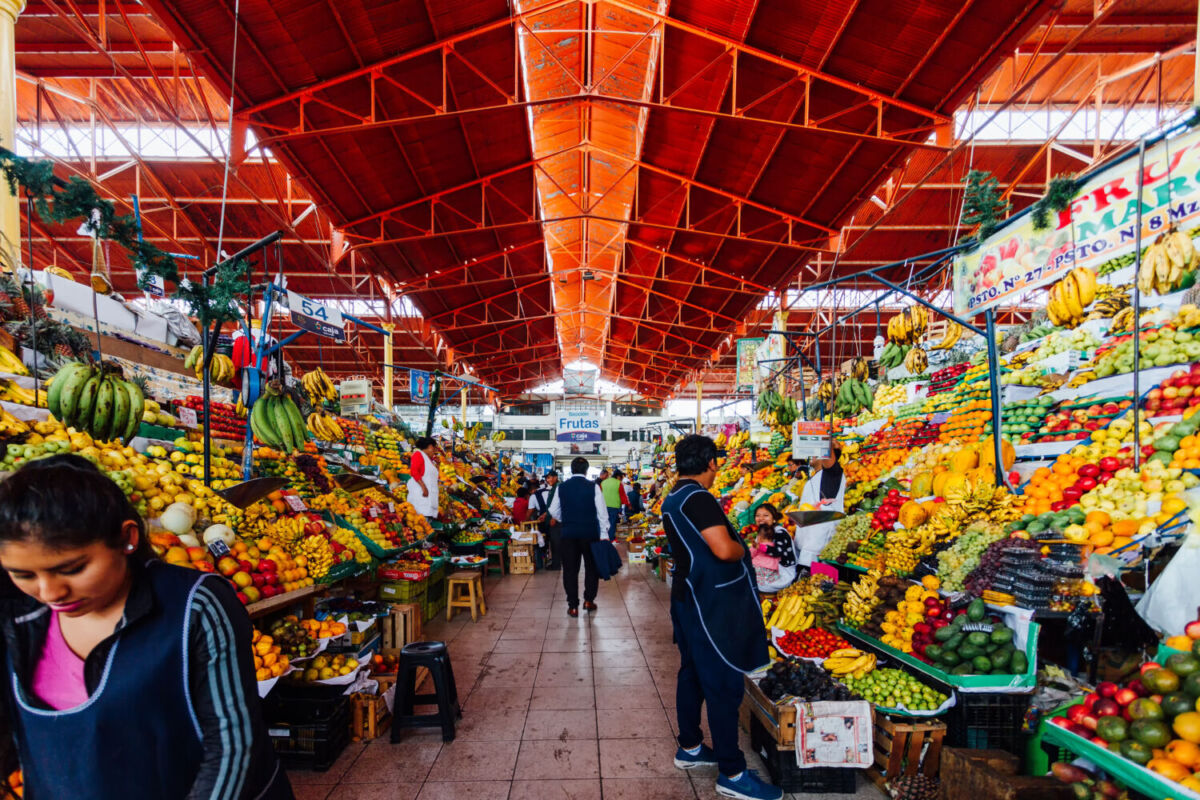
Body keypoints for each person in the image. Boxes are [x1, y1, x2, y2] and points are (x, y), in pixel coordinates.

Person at [0, 454, 293, 799]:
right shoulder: (17, 618)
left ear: (127, 537)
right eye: (24, 575)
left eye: (73, 569)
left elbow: (232, 746)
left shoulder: (194, 606)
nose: (50, 592)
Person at [661, 435, 780, 800]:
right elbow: (723, 549)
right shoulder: (698, 497)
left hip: (688, 596)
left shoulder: (673, 496)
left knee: (693, 673)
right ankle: (731, 772)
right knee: (723, 685)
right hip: (709, 602)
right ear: (711, 462)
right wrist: (744, 547)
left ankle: (691, 747)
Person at [549, 457, 610, 617]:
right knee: (591, 568)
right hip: (590, 533)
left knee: (570, 570)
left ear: (572, 470)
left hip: (568, 534)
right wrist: (604, 533)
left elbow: (553, 510)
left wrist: (566, 520)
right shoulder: (594, 487)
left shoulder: (561, 487)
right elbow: (602, 513)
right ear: (586, 470)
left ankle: (573, 606)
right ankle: (588, 601)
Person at [794, 440, 847, 567]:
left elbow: (828, 457)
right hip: (807, 541)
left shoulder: (832, 475)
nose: (813, 453)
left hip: (818, 546)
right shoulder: (815, 476)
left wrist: (823, 437)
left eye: (818, 452)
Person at [750, 504, 798, 593]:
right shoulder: (762, 533)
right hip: (766, 571)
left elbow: (777, 552)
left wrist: (759, 547)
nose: (761, 518)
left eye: (766, 515)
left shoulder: (780, 532)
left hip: (782, 574)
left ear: (774, 518)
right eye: (758, 515)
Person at [529, 471, 560, 570]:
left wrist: (554, 517)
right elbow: (551, 505)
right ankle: (555, 563)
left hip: (555, 519)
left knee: (555, 543)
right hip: (550, 517)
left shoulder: (558, 487)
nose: (548, 480)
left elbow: (560, 504)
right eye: (547, 478)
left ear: (556, 477)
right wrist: (545, 514)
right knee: (554, 542)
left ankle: (556, 565)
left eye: (550, 477)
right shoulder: (553, 488)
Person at [408, 437, 440, 524]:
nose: (435, 451)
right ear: (430, 447)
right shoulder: (418, 454)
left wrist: (438, 465)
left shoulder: (429, 459)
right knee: (421, 524)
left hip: (429, 499)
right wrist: (423, 487)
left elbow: (433, 477)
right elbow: (414, 472)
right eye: (434, 448)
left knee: (427, 525)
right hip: (421, 496)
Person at [600, 469, 624, 535]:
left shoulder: (603, 482)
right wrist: (628, 504)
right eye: (621, 477)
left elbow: (599, 494)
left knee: (604, 523)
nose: (621, 479)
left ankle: (604, 538)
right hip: (614, 507)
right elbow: (622, 496)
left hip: (603, 506)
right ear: (618, 476)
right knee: (612, 524)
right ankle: (611, 539)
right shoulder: (618, 483)